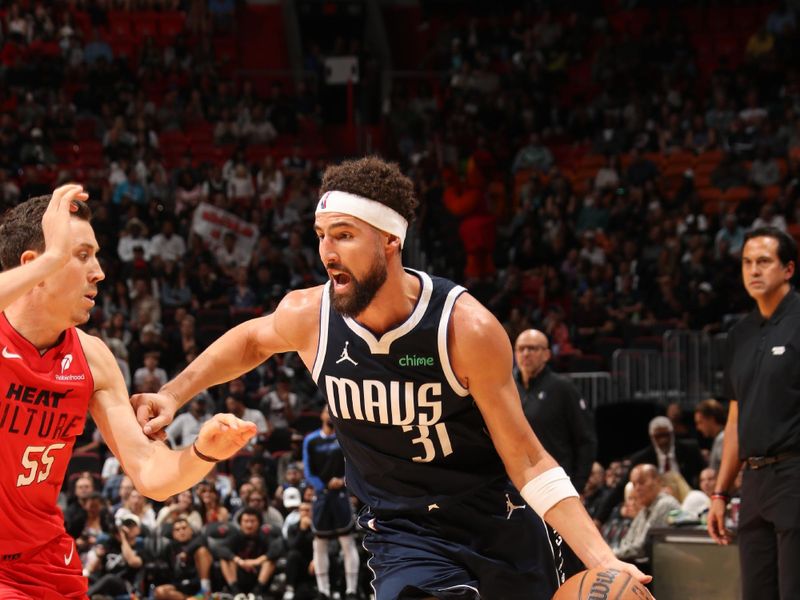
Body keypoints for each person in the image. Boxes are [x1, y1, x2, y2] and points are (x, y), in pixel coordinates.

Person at [133, 157, 649, 599]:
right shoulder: (312, 316)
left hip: (498, 520)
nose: (327, 253)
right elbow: (251, 339)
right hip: (403, 530)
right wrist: (174, 393)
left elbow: (529, 457)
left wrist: (604, 559)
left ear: (389, 242)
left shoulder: (463, 328)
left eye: (344, 235)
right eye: (321, 236)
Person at [0, 185, 257, 599]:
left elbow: (152, 476)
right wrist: (52, 259)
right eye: (81, 255)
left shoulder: (93, 357)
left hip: (45, 560)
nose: (99, 271)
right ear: (33, 267)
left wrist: (205, 451)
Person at [708, 226, 800, 599]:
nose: (753, 270)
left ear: (788, 269)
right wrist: (720, 492)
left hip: (794, 473)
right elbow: (735, 418)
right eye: (747, 263)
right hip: (754, 482)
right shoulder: (740, 334)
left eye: (764, 261)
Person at [513, 328, 597, 578]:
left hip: (556, 492)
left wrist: (578, 485)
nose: (526, 354)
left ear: (547, 354)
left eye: (533, 348)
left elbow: (586, 441)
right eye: (521, 348)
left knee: (564, 564)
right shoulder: (507, 388)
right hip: (517, 494)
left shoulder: (562, 388)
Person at [304, 406, 360, 600]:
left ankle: (351, 590)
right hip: (321, 495)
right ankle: (323, 591)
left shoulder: (344, 436)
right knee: (319, 543)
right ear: (321, 415)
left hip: (341, 494)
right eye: (327, 411)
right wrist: (322, 485)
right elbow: (308, 471)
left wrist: (342, 479)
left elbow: (355, 463)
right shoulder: (310, 440)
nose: (330, 414)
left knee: (347, 541)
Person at [613, 464, 680, 562]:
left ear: (658, 481)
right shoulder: (645, 509)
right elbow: (626, 541)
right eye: (634, 484)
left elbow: (643, 547)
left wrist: (613, 554)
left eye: (641, 482)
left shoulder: (665, 504)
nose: (637, 489)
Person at [694, 398, 726, 471]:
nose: (698, 427)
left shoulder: (722, 439)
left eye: (700, 422)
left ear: (711, 419)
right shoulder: (720, 438)